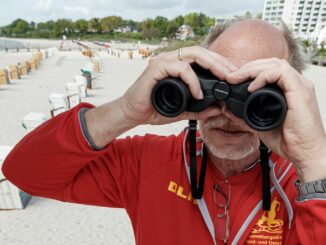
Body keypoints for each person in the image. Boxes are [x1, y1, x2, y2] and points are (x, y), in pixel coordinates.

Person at [2, 20, 326, 245]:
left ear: (290, 94)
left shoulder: (307, 179)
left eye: (254, 91)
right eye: (216, 81)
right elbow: (24, 172)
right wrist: (126, 110)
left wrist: (313, 161)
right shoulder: (147, 161)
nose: (229, 112)